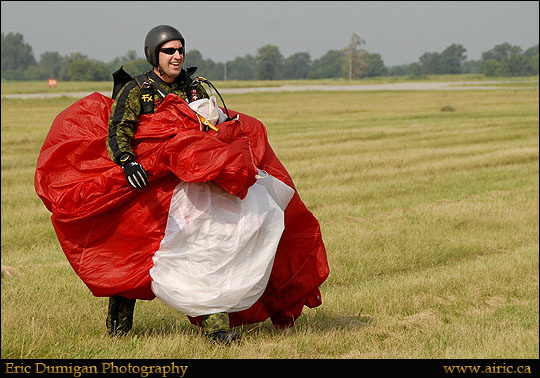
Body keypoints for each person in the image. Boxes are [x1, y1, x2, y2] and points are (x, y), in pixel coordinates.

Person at [105, 24, 240, 344]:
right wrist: (127, 161)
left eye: (180, 50)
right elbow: (118, 130)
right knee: (137, 255)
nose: (176, 56)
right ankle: (118, 328)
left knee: (203, 250)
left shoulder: (196, 88)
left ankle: (217, 328)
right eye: (169, 51)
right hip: (148, 185)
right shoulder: (136, 89)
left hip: (190, 186)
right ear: (155, 54)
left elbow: (214, 130)